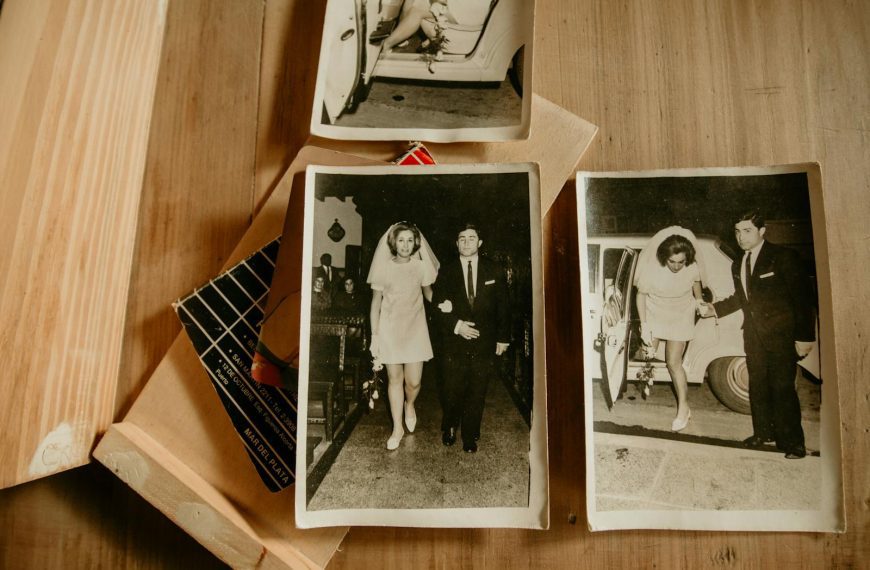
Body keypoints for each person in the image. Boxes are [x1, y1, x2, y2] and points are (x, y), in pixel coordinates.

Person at [709, 211, 815, 459]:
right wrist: (714, 309)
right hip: (753, 337)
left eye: (747, 231)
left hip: (781, 336)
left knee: (782, 388)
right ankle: (763, 433)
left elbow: (802, 299)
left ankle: (793, 443)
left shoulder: (783, 257)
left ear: (762, 231)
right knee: (757, 387)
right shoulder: (739, 263)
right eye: (737, 231)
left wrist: (805, 337)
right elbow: (742, 298)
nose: (741, 237)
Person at [432, 223, 510, 453]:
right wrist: (457, 325)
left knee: (477, 388)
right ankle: (450, 427)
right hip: (453, 341)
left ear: (480, 242)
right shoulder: (446, 271)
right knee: (452, 388)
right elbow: (437, 308)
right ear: (456, 244)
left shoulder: (494, 270)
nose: (466, 243)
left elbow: (503, 307)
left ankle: (469, 434)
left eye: (471, 238)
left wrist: (503, 338)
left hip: (484, 341)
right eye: (462, 239)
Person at [368, 222, 440, 450]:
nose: (405, 245)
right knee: (394, 380)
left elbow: (429, 294)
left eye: (410, 240)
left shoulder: (421, 267)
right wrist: (375, 336)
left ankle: (410, 404)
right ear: (393, 242)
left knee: (414, 381)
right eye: (401, 240)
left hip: (415, 328)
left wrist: (444, 304)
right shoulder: (383, 267)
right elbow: (375, 304)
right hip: (390, 329)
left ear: (415, 243)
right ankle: (397, 428)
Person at [634, 227, 708, 432]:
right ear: (664, 257)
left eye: (681, 262)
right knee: (646, 354)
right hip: (655, 313)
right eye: (672, 262)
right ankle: (646, 381)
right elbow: (641, 296)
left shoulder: (691, 267)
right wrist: (645, 324)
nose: (676, 266)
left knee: (673, 362)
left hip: (681, 314)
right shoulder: (651, 269)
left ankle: (684, 409)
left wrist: (700, 300)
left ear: (687, 259)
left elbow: (696, 282)